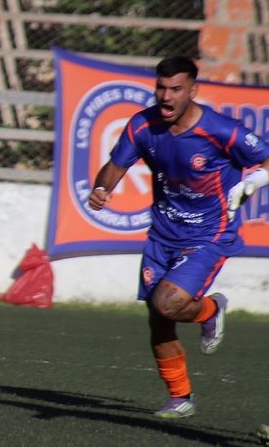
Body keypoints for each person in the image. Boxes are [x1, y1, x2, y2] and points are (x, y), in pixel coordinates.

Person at [89, 55, 269, 419]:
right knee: (158, 316)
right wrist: (101, 188)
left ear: (193, 90)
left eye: (176, 89)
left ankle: (210, 309)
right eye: (161, 88)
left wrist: (253, 182)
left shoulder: (220, 129)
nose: (166, 97)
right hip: (163, 231)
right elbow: (117, 164)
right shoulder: (143, 126)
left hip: (208, 233)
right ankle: (180, 397)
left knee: (167, 302)